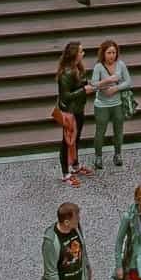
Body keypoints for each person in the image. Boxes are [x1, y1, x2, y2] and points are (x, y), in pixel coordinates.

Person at [55, 42, 93, 185]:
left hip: (78, 109)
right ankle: (65, 172)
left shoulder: (78, 68)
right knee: (67, 142)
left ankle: (75, 165)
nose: (83, 53)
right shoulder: (66, 73)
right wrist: (84, 90)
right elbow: (66, 96)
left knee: (75, 140)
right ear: (74, 54)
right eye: (81, 51)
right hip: (69, 112)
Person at [89, 40, 131, 168]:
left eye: (113, 52)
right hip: (102, 104)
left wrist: (116, 88)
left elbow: (128, 81)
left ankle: (118, 154)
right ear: (103, 53)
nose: (111, 55)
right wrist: (107, 81)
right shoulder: (98, 67)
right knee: (100, 131)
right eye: (109, 53)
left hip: (117, 103)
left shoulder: (120, 65)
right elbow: (94, 85)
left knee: (118, 131)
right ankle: (98, 156)